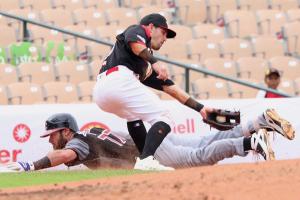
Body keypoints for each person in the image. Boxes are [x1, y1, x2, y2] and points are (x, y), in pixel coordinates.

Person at [93, 13, 215, 171]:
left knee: (133, 116)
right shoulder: (138, 30)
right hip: (118, 80)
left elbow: (170, 88)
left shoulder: (142, 65)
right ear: (151, 27)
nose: (165, 38)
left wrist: (200, 108)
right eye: (164, 32)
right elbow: (134, 42)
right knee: (165, 116)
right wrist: (154, 62)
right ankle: (146, 160)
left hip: (103, 92)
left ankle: (145, 160)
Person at [1, 108, 294, 172]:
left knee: (197, 157)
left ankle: (250, 144)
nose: (49, 140)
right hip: (149, 142)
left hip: (149, 153)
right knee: (204, 142)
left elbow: (63, 156)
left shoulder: (78, 142)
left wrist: (30, 165)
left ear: (65, 131)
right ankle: (257, 123)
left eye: (51, 134)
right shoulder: (88, 133)